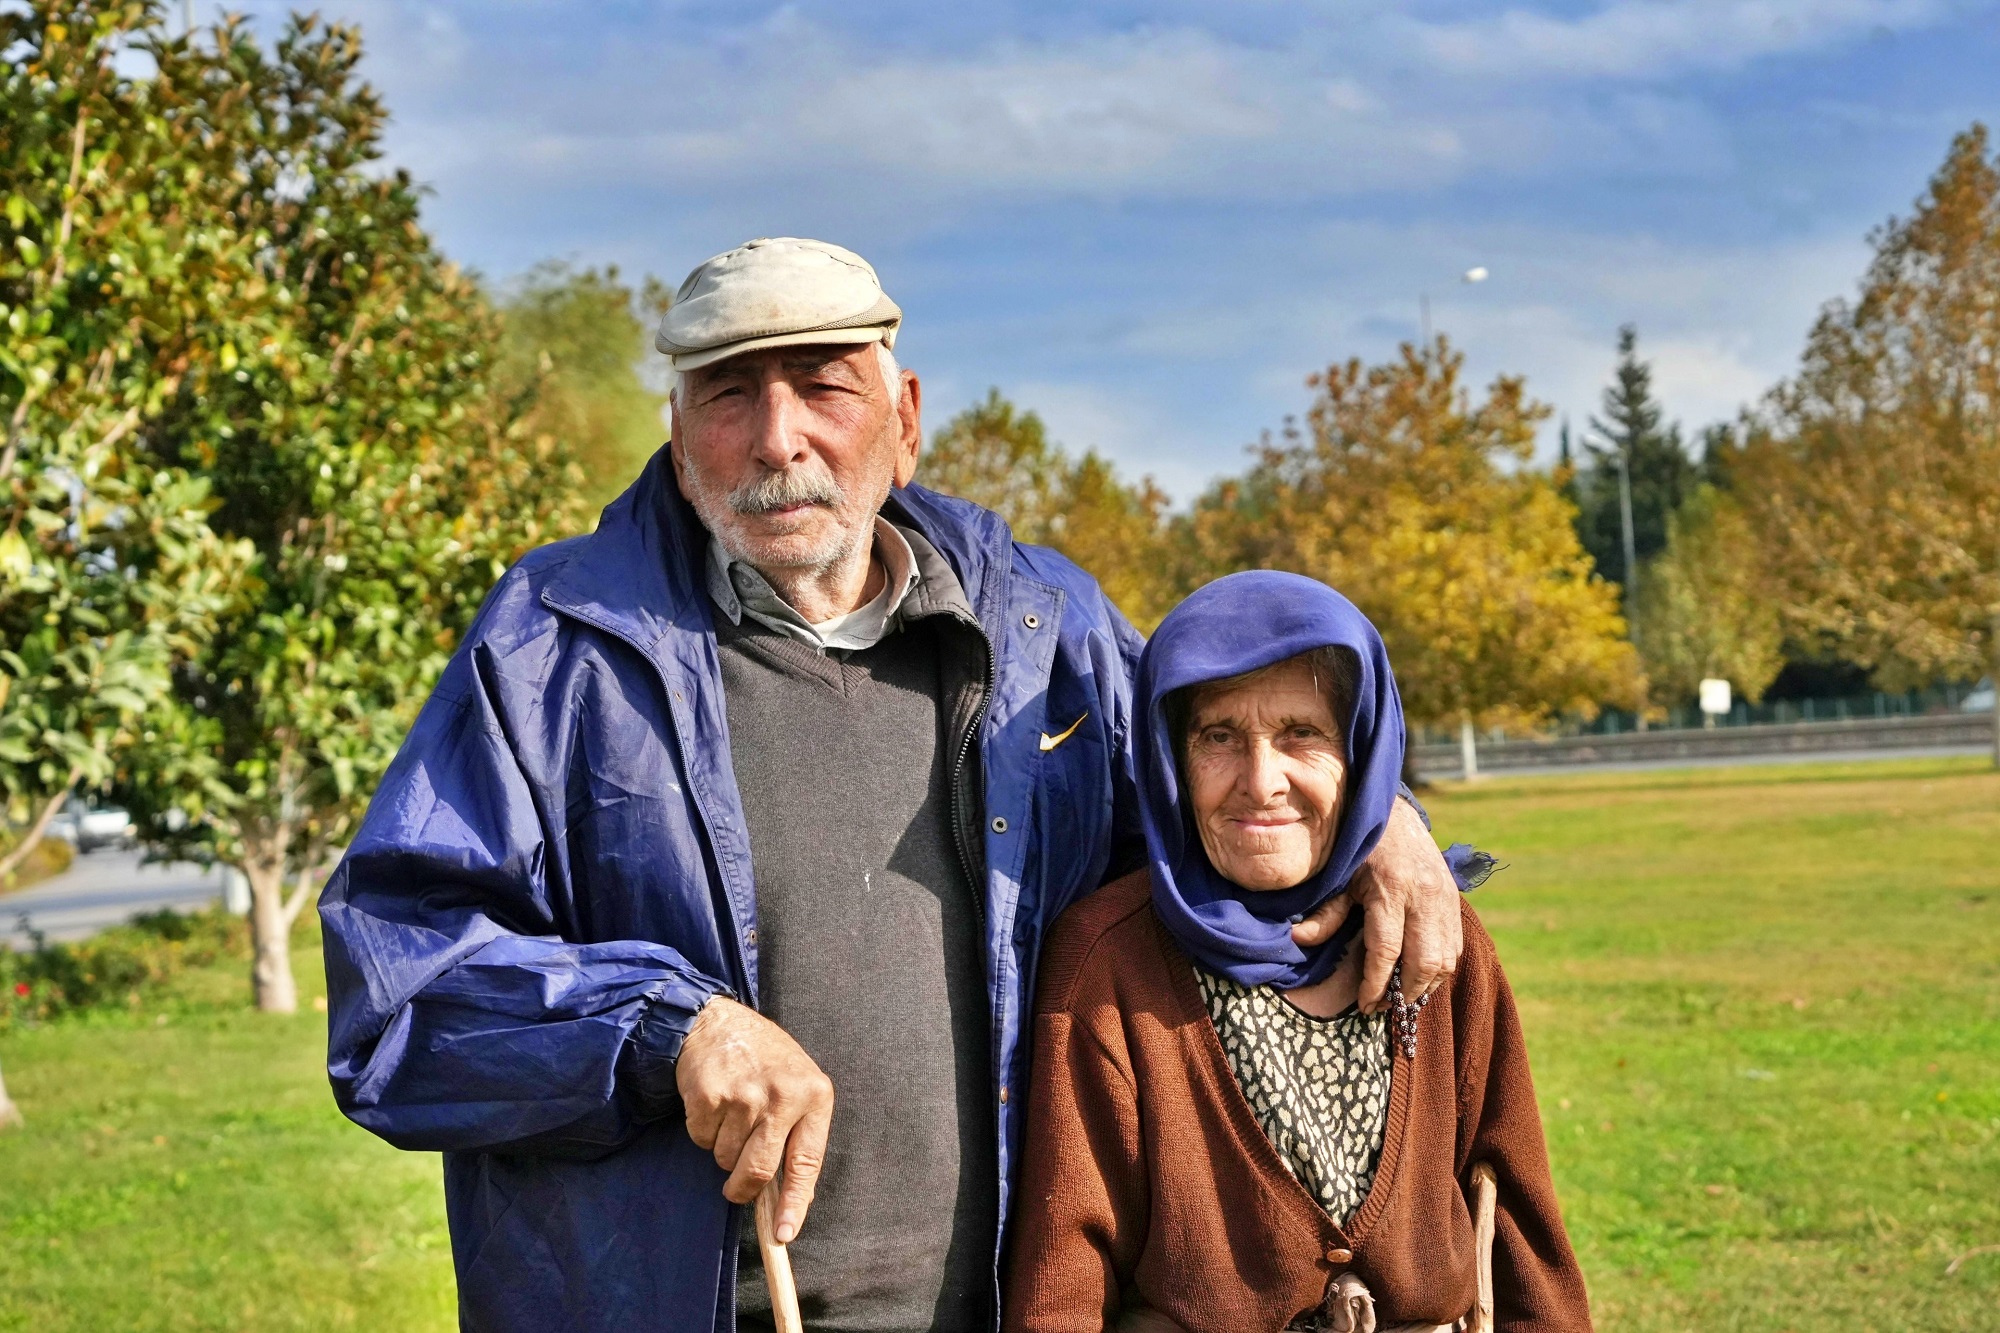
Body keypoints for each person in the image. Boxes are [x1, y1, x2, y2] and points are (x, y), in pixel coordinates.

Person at [320, 238, 1468, 1333]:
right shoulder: (553, 645)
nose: (778, 439)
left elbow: (1235, 794)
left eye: (823, 386)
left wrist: (1385, 827)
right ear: (678, 438)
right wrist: (665, 1031)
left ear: (904, 418)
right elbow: (398, 997)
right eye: (727, 395)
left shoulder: (1041, 622)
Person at [1004, 571, 1591, 1333]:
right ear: (1169, 756)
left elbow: (1520, 1228)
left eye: (1301, 734)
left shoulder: (1436, 929)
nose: (1261, 781)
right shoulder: (1108, 959)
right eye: (1218, 736)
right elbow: (1064, 1282)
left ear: (1362, 749)